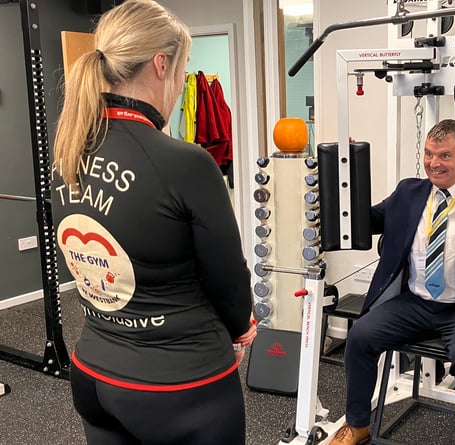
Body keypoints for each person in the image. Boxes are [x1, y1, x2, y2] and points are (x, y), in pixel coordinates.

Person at [51, 1, 255, 444]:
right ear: (161, 64)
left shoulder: (68, 152)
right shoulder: (186, 162)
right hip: (180, 388)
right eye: (183, 71)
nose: (182, 85)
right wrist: (242, 327)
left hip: (93, 374)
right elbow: (227, 278)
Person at [331, 119, 455, 445]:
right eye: (430, 154)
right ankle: (358, 425)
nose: (434, 163)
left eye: (445, 155)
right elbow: (365, 219)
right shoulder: (409, 191)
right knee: (360, 336)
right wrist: (345, 172)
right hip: (415, 303)